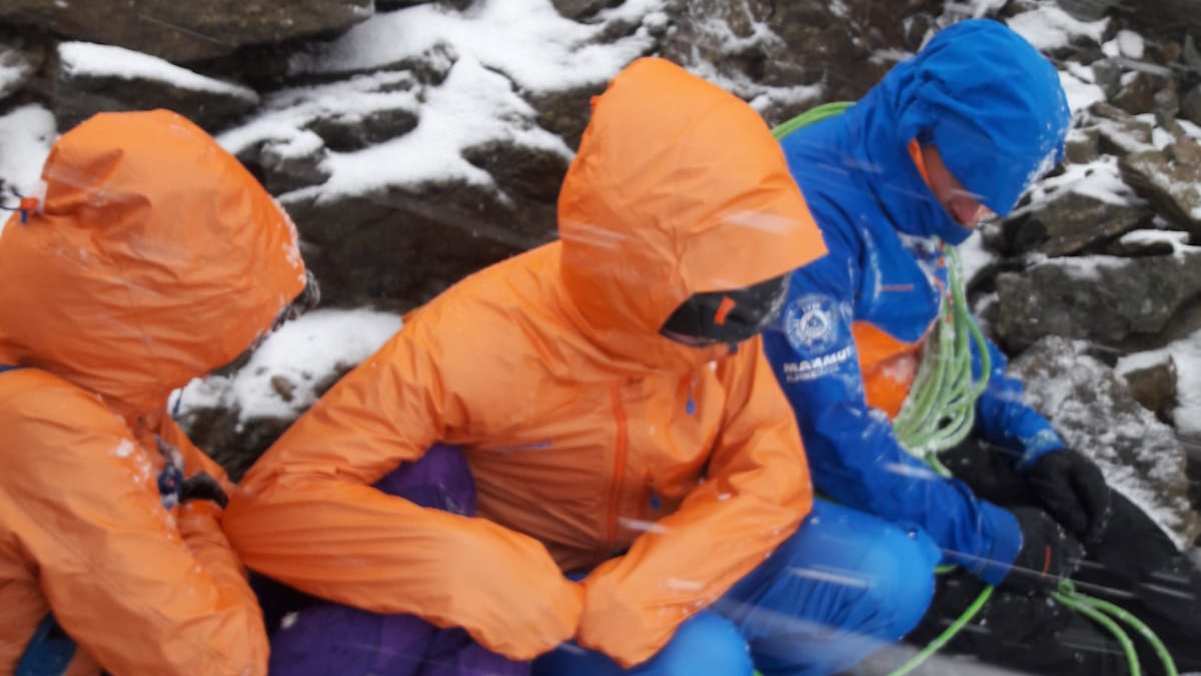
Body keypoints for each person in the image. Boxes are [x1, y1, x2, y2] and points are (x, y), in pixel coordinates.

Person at [223, 57, 942, 676]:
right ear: (642, 271)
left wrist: (658, 583)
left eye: (762, 288)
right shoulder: (470, 339)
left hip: (666, 562)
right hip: (551, 602)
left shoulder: (729, 298)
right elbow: (276, 506)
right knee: (704, 659)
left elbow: (771, 469)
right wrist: (469, 568)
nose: (741, 332)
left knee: (892, 579)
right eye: (724, 308)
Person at [764, 18, 1201, 674]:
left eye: (990, 204)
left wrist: (1034, 439)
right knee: (1076, 652)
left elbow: (948, 343)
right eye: (970, 195)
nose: (972, 220)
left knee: (1157, 583)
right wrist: (990, 537)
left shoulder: (916, 188)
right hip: (828, 489)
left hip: (916, 445)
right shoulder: (809, 225)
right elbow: (829, 439)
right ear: (923, 133)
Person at [0, 109, 315, 675]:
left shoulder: (88, 379)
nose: (246, 344)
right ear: (161, 304)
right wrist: (197, 516)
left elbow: (225, 498)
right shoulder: (46, 428)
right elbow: (216, 666)